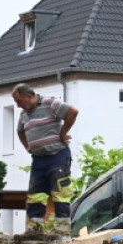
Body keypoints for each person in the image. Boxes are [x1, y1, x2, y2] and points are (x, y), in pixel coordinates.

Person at [12, 83, 79, 235]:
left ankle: (61, 230)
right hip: (38, 159)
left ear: (29, 96)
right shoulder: (24, 114)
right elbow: (20, 131)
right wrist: (28, 147)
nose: (18, 106)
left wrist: (63, 133)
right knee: (36, 194)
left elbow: (73, 112)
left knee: (60, 192)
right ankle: (34, 229)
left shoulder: (50, 103)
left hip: (57, 155)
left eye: (19, 101)